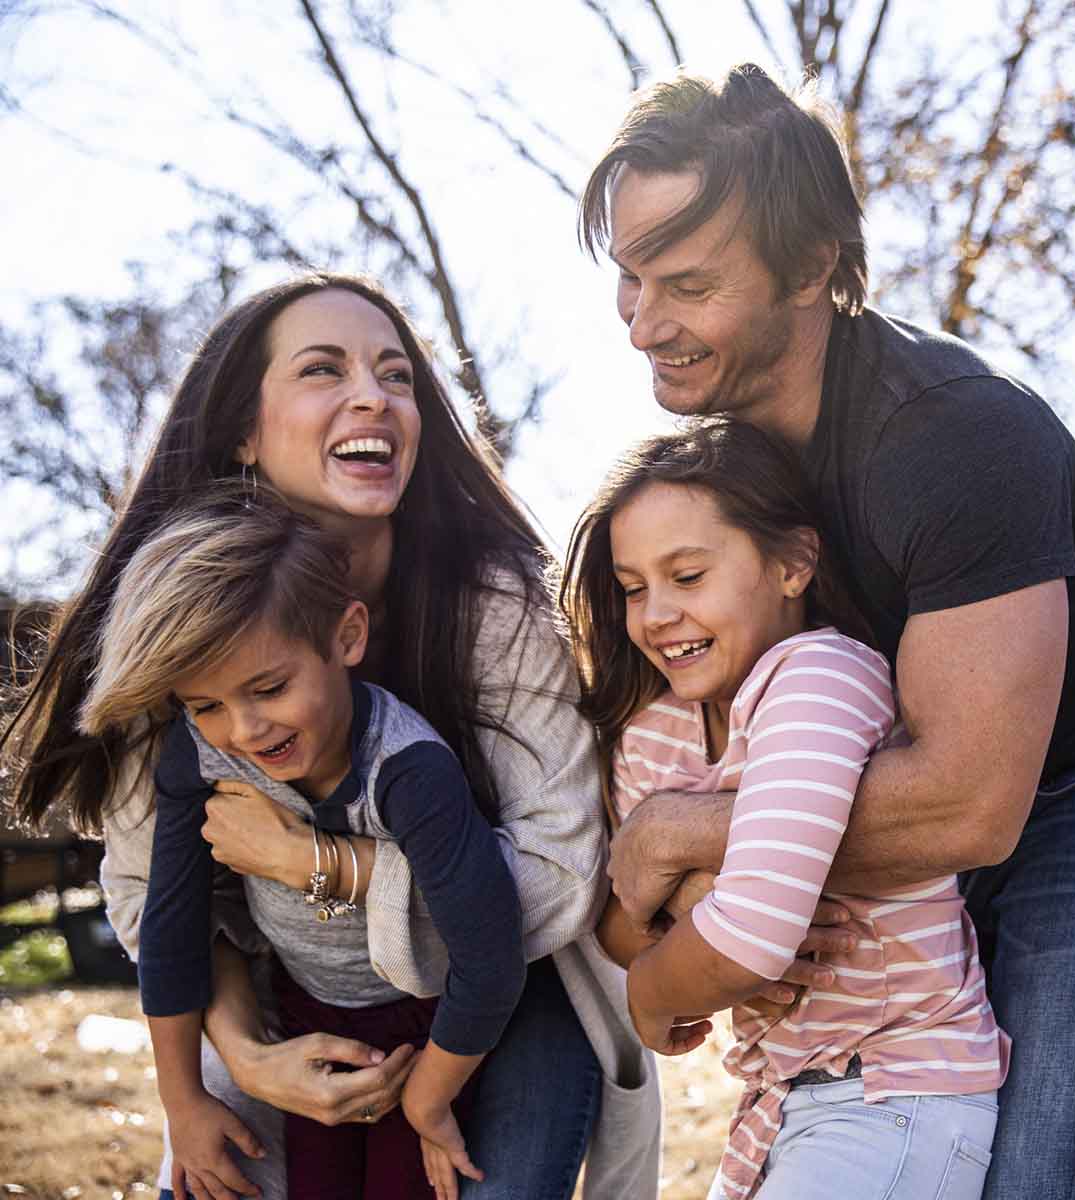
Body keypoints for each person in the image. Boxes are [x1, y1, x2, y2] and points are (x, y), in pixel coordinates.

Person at [580, 64, 1075, 1199]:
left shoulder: (955, 436)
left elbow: (972, 804)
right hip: (887, 784)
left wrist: (684, 836)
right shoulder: (726, 471)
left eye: (685, 284)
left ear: (814, 267)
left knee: (1035, 1176)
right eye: (630, 281)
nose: (644, 326)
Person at [0, 273, 659, 1200]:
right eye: (324, 369)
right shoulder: (179, 614)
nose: (372, 395)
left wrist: (322, 863)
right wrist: (242, 1054)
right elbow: (154, 890)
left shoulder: (496, 601)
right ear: (242, 429)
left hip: (504, 991)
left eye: (397, 374)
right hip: (287, 992)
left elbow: (556, 877)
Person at [563, 422, 1008, 1200]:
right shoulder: (655, 735)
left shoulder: (820, 677)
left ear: (792, 563)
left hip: (898, 1090)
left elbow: (748, 940)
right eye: (635, 588)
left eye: (689, 575)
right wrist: (684, 930)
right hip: (784, 1102)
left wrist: (653, 991)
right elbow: (623, 913)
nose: (656, 613)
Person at [79, 485, 524, 1200]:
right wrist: (183, 1100)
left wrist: (429, 1097)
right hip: (304, 1013)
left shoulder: (409, 771)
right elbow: (173, 927)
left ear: (347, 637)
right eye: (207, 706)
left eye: (269, 687)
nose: (245, 730)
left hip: (426, 1025)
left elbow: (491, 957)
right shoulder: (198, 754)